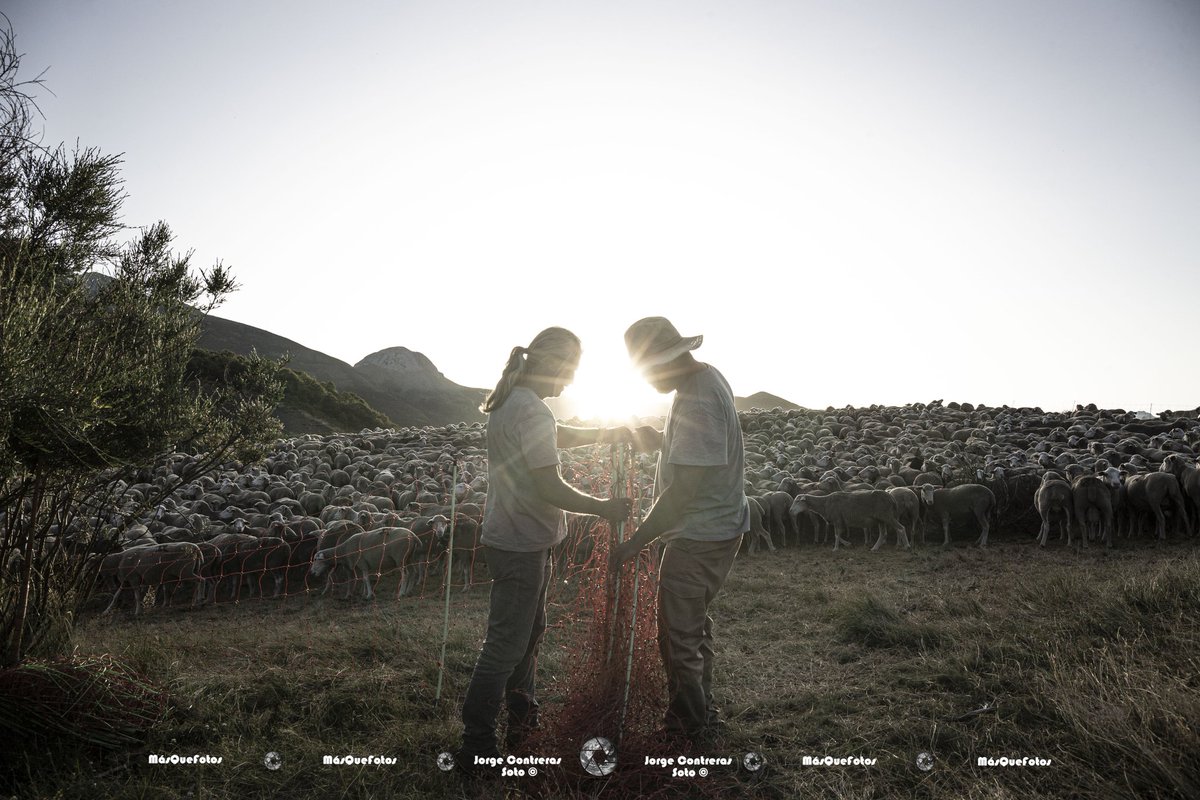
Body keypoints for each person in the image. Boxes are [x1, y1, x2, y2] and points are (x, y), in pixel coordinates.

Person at [456, 326, 635, 769]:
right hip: (521, 542)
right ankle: (476, 742)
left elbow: (551, 435)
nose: (571, 381)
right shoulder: (530, 409)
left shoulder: (512, 401)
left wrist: (605, 432)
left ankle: (523, 718)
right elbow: (547, 483)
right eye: (569, 371)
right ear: (552, 365)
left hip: (516, 536)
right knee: (504, 645)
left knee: (529, 635)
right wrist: (603, 508)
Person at [612, 316, 749, 744]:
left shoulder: (697, 402)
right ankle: (699, 709)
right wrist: (663, 443)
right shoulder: (704, 379)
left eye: (648, 372)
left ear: (666, 362)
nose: (647, 381)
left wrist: (635, 542)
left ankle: (690, 726)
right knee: (690, 626)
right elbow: (694, 459)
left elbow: (680, 493)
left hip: (699, 533)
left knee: (678, 637)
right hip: (716, 525)